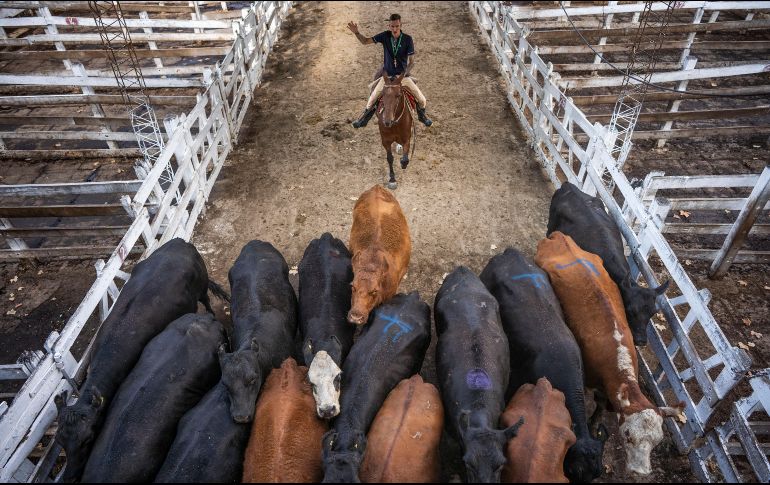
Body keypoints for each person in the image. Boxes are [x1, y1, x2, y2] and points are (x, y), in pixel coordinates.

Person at [347, 13, 433, 129]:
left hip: (402, 77)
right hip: (387, 77)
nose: (395, 29)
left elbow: (412, 62)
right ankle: (364, 119)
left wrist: (403, 74)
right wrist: (357, 32)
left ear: (400, 25)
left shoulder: (408, 39)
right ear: (389, 26)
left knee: (422, 99)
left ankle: (422, 116)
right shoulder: (384, 36)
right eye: (392, 26)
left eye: (397, 26)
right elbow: (365, 41)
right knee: (372, 99)